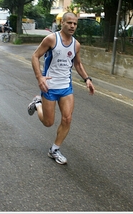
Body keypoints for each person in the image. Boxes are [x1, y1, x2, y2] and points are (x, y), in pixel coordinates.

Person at [27, 12, 95, 165]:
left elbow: (77, 63)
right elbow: (35, 56)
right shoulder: (51, 39)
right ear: (62, 23)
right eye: (69, 23)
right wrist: (39, 77)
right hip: (49, 86)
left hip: (66, 87)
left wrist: (87, 79)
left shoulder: (76, 44)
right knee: (48, 122)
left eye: (75, 24)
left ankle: (54, 150)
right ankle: (37, 104)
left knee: (67, 118)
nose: (72, 26)